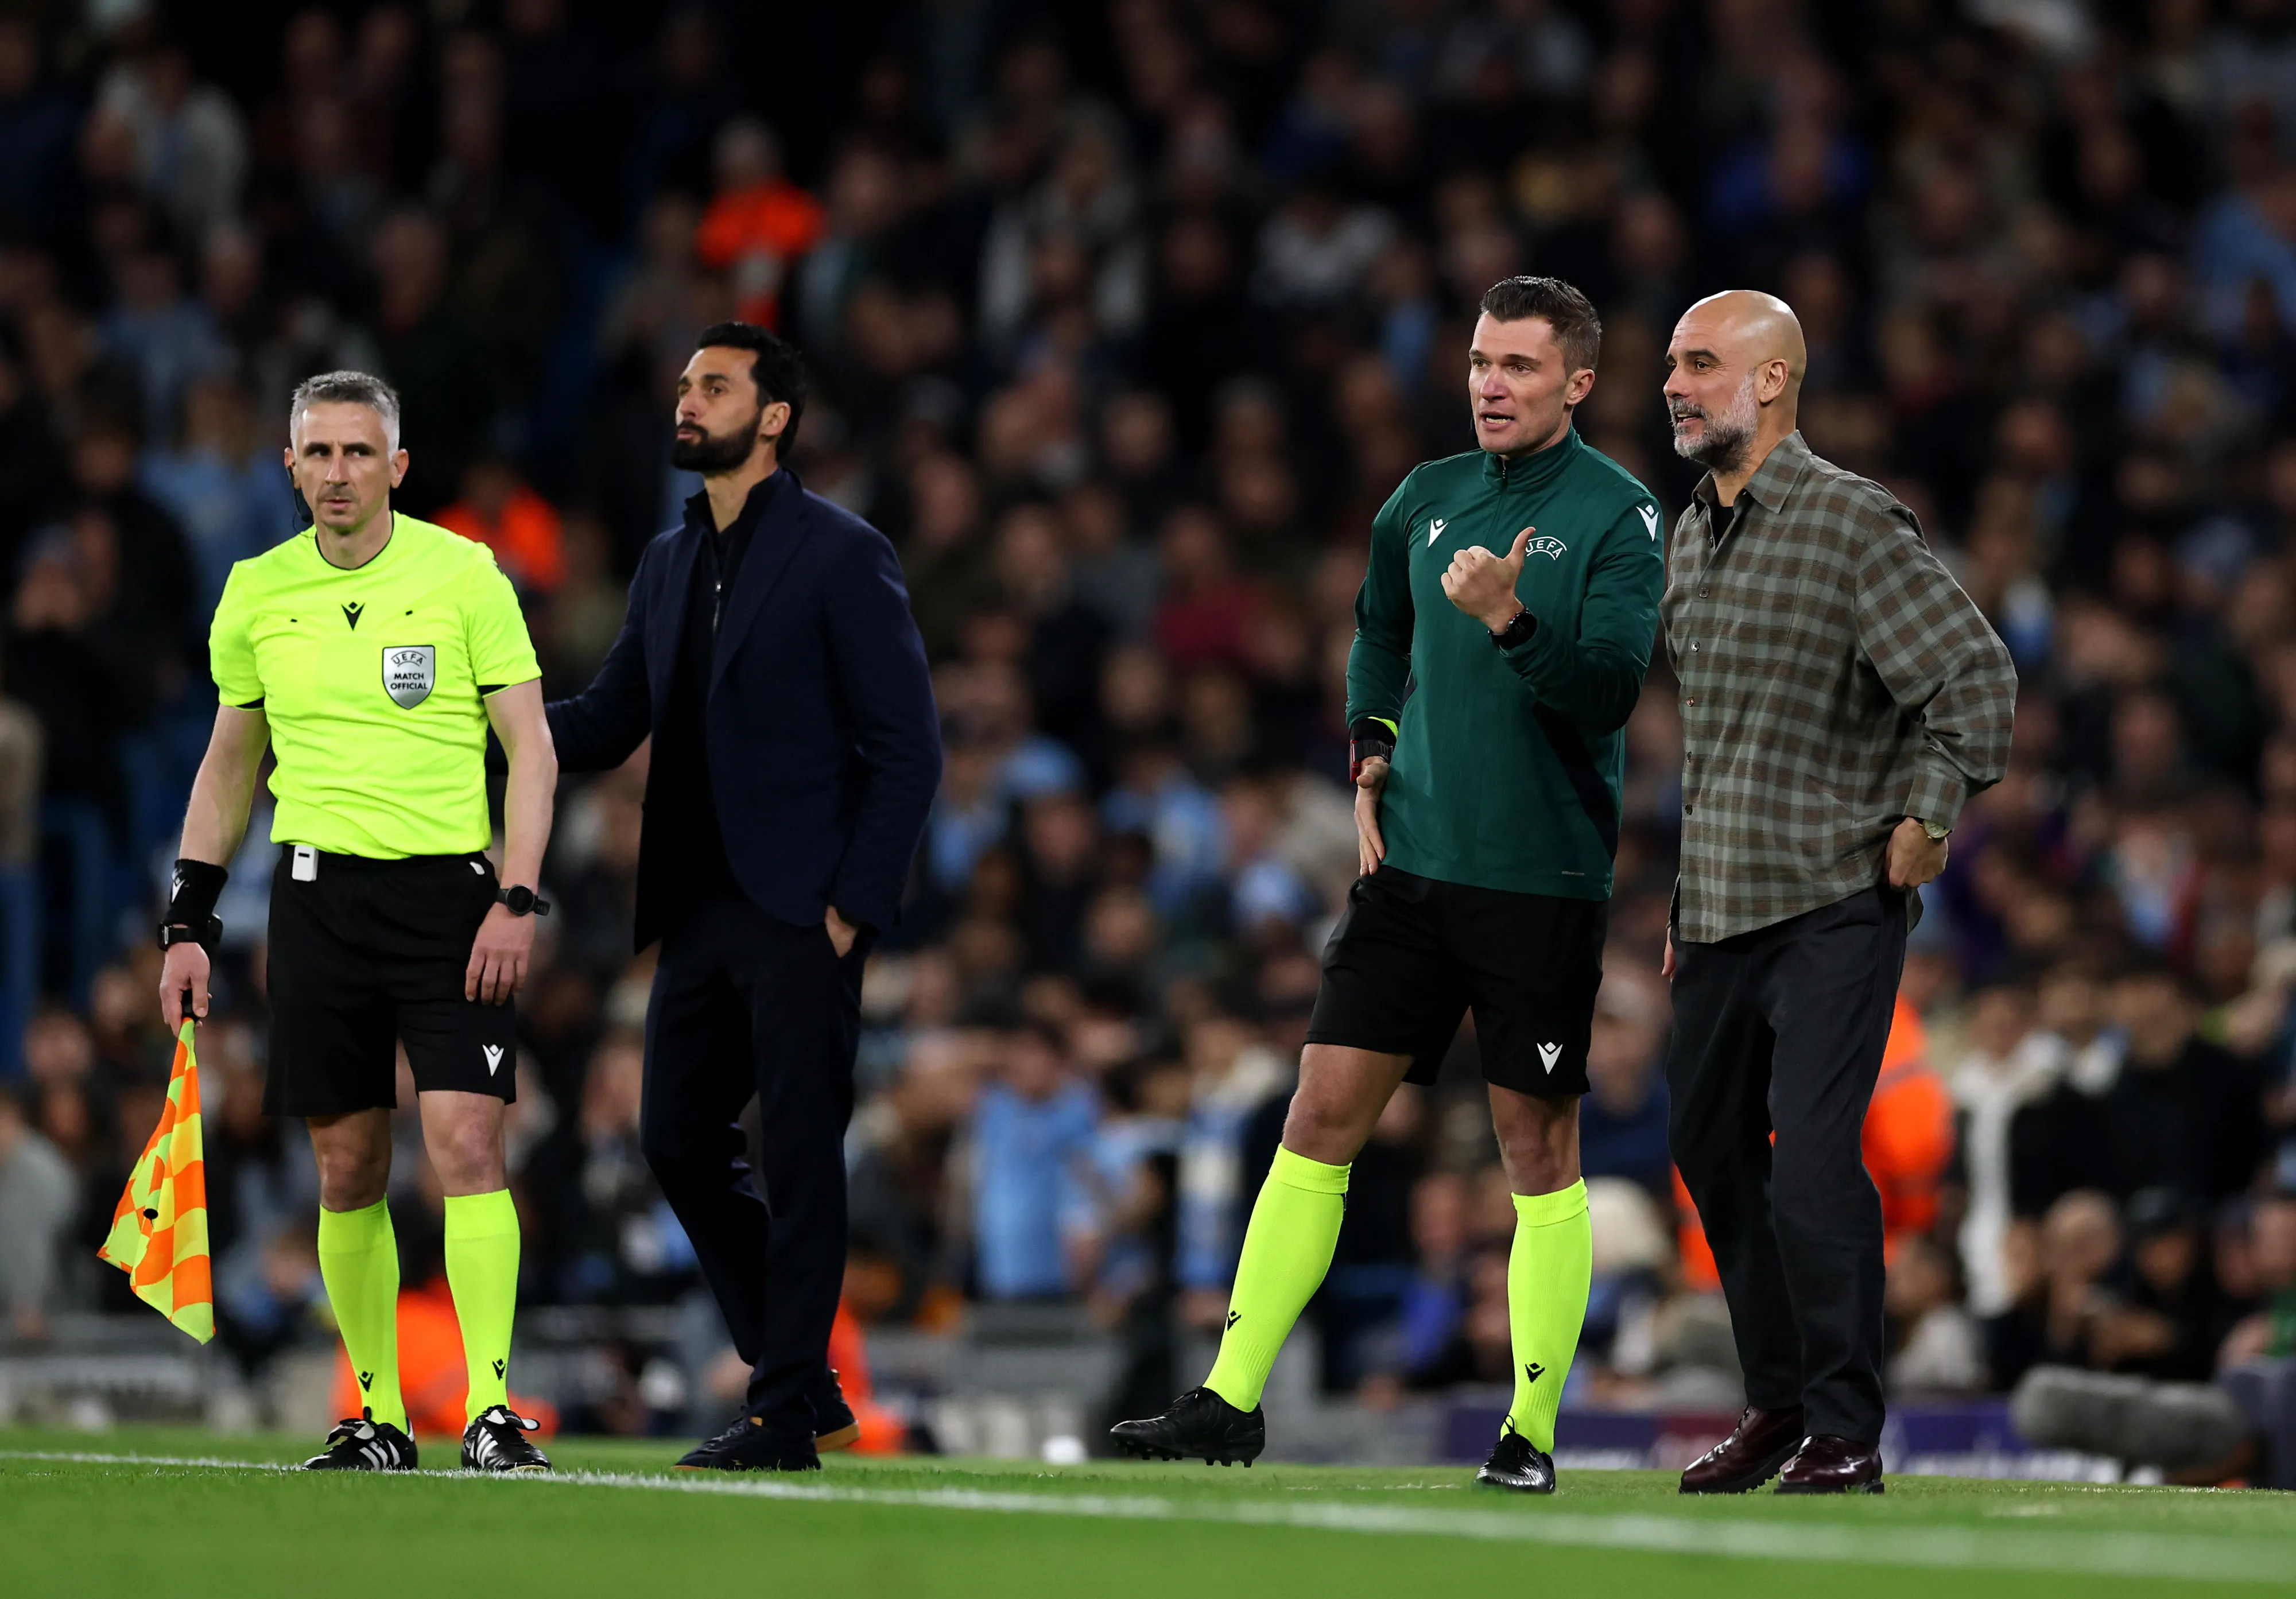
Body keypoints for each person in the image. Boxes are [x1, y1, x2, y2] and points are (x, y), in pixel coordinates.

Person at [1111, 276, 1666, 1494]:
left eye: (1520, 366)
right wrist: (1369, 742)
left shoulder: (1619, 515)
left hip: (1539, 879)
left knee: (1535, 1147)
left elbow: (1611, 691)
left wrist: (1512, 617)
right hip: (1409, 869)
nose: (1490, 383)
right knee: (1314, 1117)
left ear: (1576, 383)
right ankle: (1230, 1399)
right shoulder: (1421, 497)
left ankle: (1527, 1432)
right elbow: (1377, 631)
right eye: (1479, 360)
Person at [546, 323, 940, 1472]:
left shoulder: (838, 550)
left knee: (804, 1154)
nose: (686, 399)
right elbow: (612, 718)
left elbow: (905, 746)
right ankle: (801, 1373)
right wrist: (489, 721)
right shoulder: (667, 562)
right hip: (701, 903)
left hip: (801, 905)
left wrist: (851, 906)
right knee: (674, 1137)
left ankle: (778, 1412)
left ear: (772, 417)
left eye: (712, 385)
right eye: (680, 384)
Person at [156, 371, 558, 1473]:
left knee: (469, 1142)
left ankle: (487, 1410)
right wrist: (188, 921)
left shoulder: (465, 572)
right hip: (317, 899)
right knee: (346, 1168)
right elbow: (230, 765)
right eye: (318, 454)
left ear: (397, 465)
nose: (338, 473)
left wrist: (517, 897)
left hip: (450, 899)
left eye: (357, 453)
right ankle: (373, 1414)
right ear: (289, 467)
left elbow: (533, 750)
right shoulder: (254, 591)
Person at [1659, 291, 2016, 1494]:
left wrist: (1928, 811)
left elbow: (1971, 678)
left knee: (1810, 1163)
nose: (1672, 383)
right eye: (1670, 364)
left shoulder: (1848, 522)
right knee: (1707, 1153)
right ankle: (1774, 1405)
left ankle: (1846, 1429)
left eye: (1699, 364)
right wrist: (1675, 913)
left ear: (1768, 382)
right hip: (1715, 908)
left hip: (1829, 899)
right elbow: (1710, 749)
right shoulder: (1687, 533)